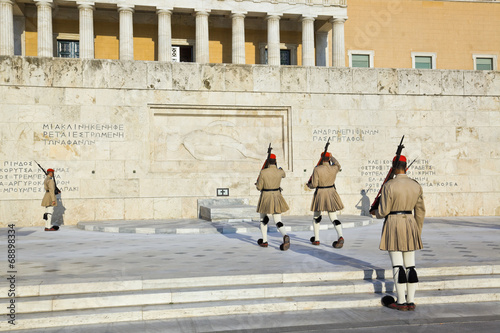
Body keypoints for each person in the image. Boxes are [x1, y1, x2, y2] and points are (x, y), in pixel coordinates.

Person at [370, 155, 425, 311]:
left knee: (397, 265)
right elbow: (420, 211)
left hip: (394, 223)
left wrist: (376, 212)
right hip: (410, 223)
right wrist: (417, 230)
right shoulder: (416, 185)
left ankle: (401, 301)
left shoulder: (389, 185)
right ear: (406, 166)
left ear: (394, 167)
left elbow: (384, 211)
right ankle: (411, 301)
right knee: (411, 266)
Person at [307, 152, 345, 248]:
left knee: (317, 217)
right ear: (329, 159)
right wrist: (332, 157)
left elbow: (314, 184)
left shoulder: (317, 169)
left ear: (321, 158)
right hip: (331, 192)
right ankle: (340, 236)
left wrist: (309, 185)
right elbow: (338, 164)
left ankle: (316, 239)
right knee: (333, 217)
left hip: (320, 193)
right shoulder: (334, 168)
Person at [256, 154, 290, 251]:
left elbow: (259, 187)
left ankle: (265, 241)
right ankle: (285, 235)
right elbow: (284, 174)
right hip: (276, 196)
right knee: (278, 220)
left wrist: (257, 184)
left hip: (266, 197)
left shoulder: (263, 172)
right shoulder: (279, 171)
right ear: (275, 161)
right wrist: (279, 167)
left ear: (267, 161)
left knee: (263, 220)